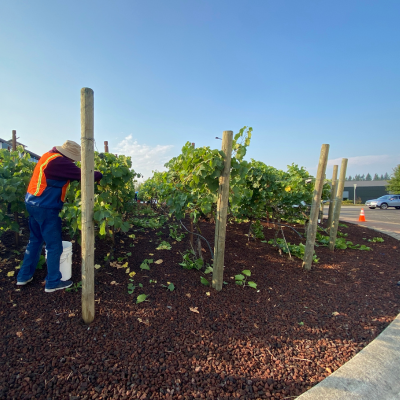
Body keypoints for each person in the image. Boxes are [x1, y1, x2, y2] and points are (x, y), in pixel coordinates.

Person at [16, 140, 103, 292]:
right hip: (46, 207)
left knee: (35, 241)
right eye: (74, 159)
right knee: (54, 245)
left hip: (33, 203)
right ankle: (53, 282)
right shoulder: (60, 162)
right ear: (68, 155)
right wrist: (100, 174)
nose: (73, 161)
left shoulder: (48, 156)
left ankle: (23, 276)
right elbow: (86, 175)